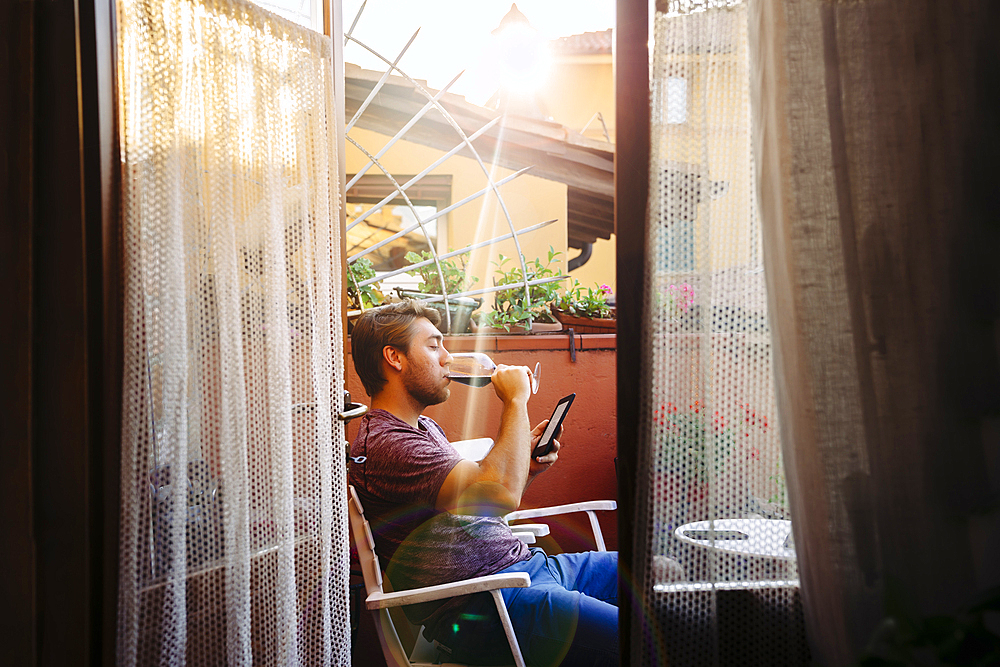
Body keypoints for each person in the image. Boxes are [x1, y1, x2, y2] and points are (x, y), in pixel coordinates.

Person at [349, 299, 619, 667]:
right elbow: (500, 495)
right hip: (490, 604)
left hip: (527, 571)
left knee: (659, 573)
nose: (446, 357)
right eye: (433, 345)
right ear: (394, 357)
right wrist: (516, 400)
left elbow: (485, 506)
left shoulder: (422, 428)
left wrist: (529, 468)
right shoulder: (388, 443)